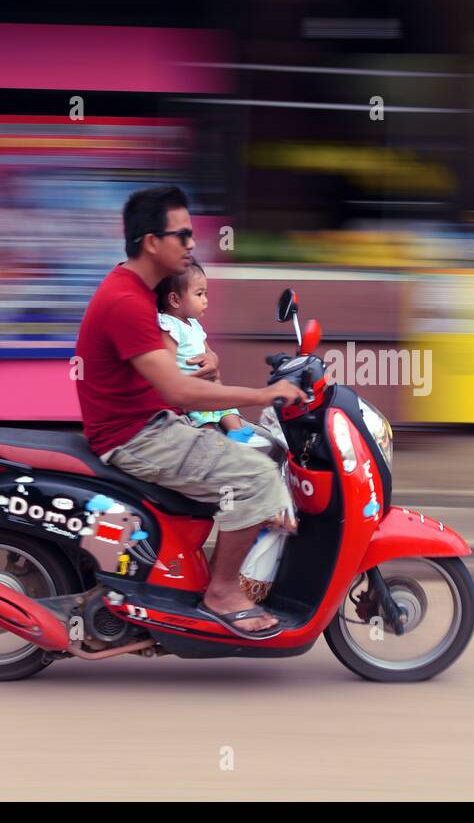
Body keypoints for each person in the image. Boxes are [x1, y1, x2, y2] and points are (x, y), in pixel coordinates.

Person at [74, 186, 307, 638]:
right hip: (137, 437)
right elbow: (178, 391)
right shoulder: (126, 302)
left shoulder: (138, 291)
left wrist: (216, 369)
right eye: (181, 235)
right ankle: (222, 592)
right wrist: (264, 395)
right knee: (256, 475)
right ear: (151, 242)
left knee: (246, 456)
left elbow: (173, 377)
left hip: (150, 424)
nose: (192, 243)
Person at [155, 258, 253, 442]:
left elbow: (209, 353)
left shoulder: (194, 324)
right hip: (191, 391)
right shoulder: (169, 326)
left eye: (205, 294)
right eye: (199, 294)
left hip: (208, 386)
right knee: (204, 421)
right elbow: (167, 365)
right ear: (175, 299)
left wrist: (213, 360)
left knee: (227, 405)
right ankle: (211, 440)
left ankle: (237, 431)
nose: (205, 300)